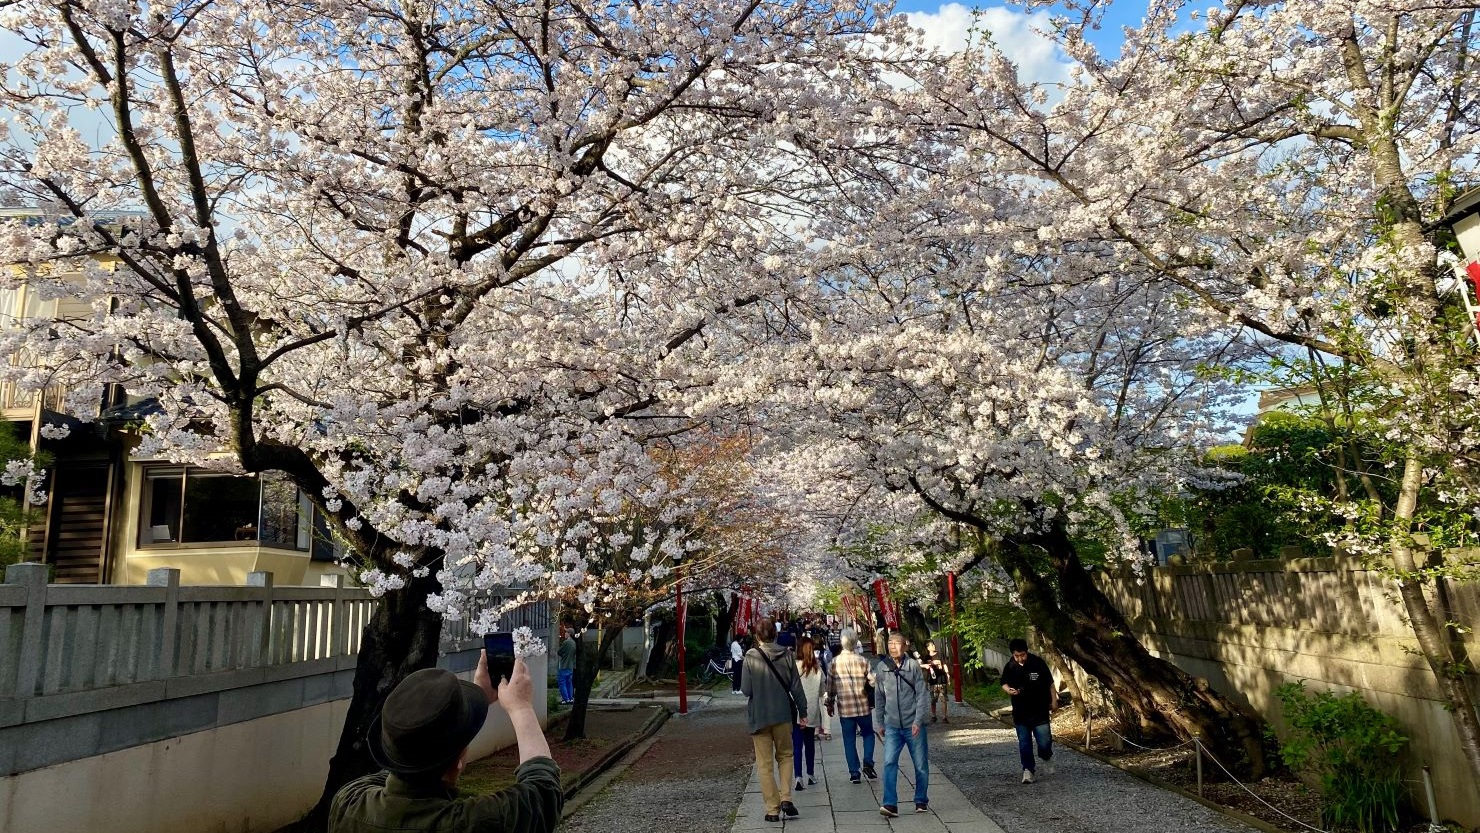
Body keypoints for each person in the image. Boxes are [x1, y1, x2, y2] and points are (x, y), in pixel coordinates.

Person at [330, 652, 561, 833]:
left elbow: (406, 762)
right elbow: (543, 792)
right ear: (459, 763)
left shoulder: (348, 802)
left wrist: (468, 707)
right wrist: (521, 708)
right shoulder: (471, 823)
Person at [742, 618, 809, 823]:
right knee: (786, 756)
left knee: (764, 764)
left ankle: (772, 809)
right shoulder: (787, 655)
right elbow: (796, 686)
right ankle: (786, 797)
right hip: (783, 715)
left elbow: (746, 690)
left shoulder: (750, 657)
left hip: (760, 716)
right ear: (776, 634)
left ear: (757, 636)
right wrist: (803, 712)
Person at [873, 632, 930, 818]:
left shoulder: (913, 666)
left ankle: (921, 799)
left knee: (920, 764)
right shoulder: (882, 667)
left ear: (905, 645)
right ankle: (890, 804)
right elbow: (879, 696)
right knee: (889, 762)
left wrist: (918, 720)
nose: (892, 646)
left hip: (912, 723)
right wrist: (880, 721)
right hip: (892, 725)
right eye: (890, 643)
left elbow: (922, 694)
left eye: (896, 643)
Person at [1000, 637, 1059, 784]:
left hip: (1039, 709)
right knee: (1024, 743)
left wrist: (1054, 700)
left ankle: (1046, 756)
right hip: (1021, 711)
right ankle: (1028, 770)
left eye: (1022, 655)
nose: (1020, 658)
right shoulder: (1010, 666)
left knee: (1044, 741)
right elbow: (1004, 683)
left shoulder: (1037, 663)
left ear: (1026, 652)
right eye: (1017, 656)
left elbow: (1050, 683)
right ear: (1013, 655)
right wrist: (1009, 690)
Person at [826, 628, 876, 785]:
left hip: (845, 707)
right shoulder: (863, 661)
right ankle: (868, 760)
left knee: (849, 739)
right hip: (863, 705)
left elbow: (830, 686)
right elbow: (873, 681)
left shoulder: (834, 662)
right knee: (868, 734)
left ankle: (854, 772)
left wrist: (830, 703)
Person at [792, 636, 825, 791]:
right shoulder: (817, 669)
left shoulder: (794, 667)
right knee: (809, 744)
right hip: (811, 710)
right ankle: (810, 774)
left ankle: (798, 776)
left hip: (796, 711)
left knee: (797, 745)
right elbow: (822, 691)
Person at [922, 642, 950, 724]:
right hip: (932, 681)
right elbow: (925, 669)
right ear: (928, 648)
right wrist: (925, 680)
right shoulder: (927, 657)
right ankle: (933, 716)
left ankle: (944, 716)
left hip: (942, 679)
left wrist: (947, 675)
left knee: (943, 699)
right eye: (931, 645)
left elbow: (944, 665)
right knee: (933, 699)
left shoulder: (940, 655)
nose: (934, 646)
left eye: (934, 644)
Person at [556, 625, 577, 705]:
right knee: (569, 683)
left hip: (564, 665)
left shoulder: (566, 642)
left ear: (569, 633)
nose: (565, 634)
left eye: (566, 632)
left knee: (562, 683)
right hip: (571, 666)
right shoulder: (574, 643)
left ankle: (565, 699)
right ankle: (570, 698)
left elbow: (559, 652)